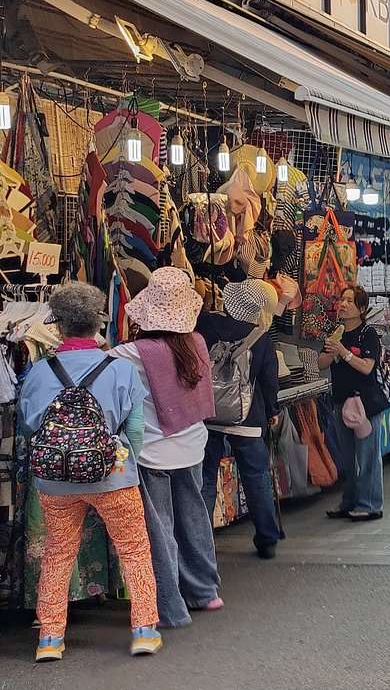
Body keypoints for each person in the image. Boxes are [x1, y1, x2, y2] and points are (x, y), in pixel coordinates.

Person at [21, 282, 162, 661]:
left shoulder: (38, 371)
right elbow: (134, 430)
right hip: (112, 475)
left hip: (55, 479)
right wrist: (122, 457)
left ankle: (50, 638)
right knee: (133, 549)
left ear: (59, 325)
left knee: (58, 552)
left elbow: (29, 424)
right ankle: (144, 629)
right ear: (98, 322)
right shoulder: (120, 368)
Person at [111, 267, 221, 629]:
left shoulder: (129, 354)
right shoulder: (197, 345)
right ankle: (205, 591)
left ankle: (171, 607)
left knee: (160, 529)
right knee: (194, 518)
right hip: (192, 447)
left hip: (151, 451)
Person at [197, 280, 282, 559]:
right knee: (256, 476)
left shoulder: (206, 324)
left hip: (209, 413)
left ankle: (203, 541)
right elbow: (269, 381)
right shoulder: (261, 336)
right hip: (248, 417)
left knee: (206, 478)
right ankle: (267, 538)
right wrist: (272, 411)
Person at [318, 285, 388, 522]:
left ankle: (370, 504)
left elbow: (368, 367)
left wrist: (345, 353)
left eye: (349, 301)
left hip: (364, 404)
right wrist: (333, 351)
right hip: (340, 402)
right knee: (347, 457)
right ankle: (349, 501)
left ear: (361, 308)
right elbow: (321, 363)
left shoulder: (367, 334)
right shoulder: (335, 332)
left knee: (368, 456)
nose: (343, 304)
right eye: (342, 300)